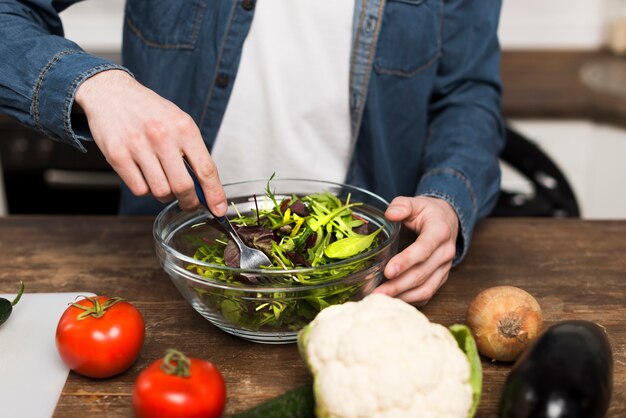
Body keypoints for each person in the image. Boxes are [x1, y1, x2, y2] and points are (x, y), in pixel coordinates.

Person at [0, 0, 505, 305]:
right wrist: (98, 86)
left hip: (365, 279)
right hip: (172, 280)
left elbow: (467, 96)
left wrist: (447, 200)